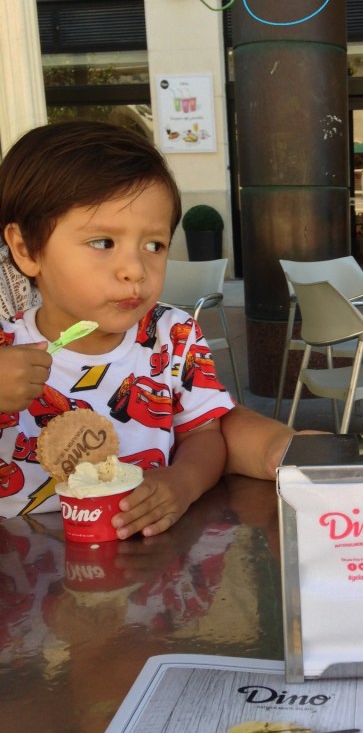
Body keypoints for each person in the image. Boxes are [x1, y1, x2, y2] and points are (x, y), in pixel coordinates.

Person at [0, 120, 234, 537]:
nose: (135, 270)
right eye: (103, 242)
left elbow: (205, 433)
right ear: (26, 249)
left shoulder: (172, 336)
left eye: (154, 245)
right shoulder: (4, 349)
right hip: (27, 577)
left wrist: (183, 483)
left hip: (151, 566)